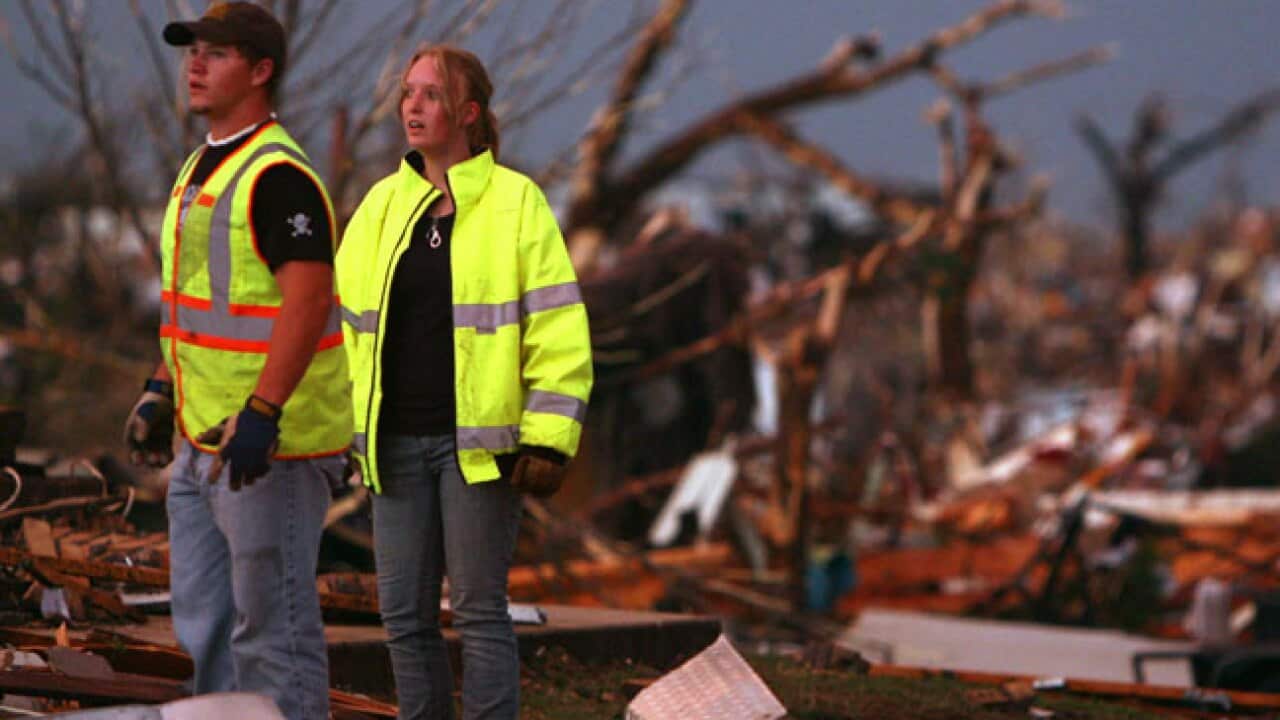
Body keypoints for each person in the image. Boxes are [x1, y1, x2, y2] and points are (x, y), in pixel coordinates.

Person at [335, 44, 592, 720]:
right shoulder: (382, 207)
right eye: (407, 93)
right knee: (404, 619)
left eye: (428, 94)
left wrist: (550, 438)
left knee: (479, 613)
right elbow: (341, 334)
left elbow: (557, 328)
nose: (411, 106)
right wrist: (328, 430)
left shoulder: (516, 203)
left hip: (478, 449)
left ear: (467, 113)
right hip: (393, 448)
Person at [120, 3, 352, 718]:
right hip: (201, 442)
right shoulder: (201, 167)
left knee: (272, 632)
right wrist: (162, 388)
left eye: (216, 54)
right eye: (193, 51)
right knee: (206, 629)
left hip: (263, 449)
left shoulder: (278, 177)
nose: (195, 64)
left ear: (260, 71)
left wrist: (263, 412)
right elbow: (192, 300)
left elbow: (308, 303)